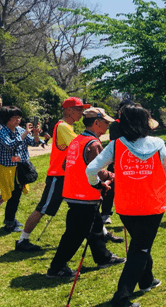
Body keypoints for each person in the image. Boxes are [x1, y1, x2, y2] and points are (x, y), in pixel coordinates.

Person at [86, 104, 166, 307]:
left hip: (126, 206)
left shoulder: (116, 145)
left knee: (140, 242)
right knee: (140, 249)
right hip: (152, 204)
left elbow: (91, 169)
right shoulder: (157, 143)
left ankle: (147, 280)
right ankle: (121, 300)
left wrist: (96, 184)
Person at [46, 107, 125, 276]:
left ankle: (103, 258)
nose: (107, 127)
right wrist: (115, 175)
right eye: (105, 123)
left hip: (73, 192)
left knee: (95, 226)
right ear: (96, 123)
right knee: (75, 234)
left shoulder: (77, 140)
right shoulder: (93, 143)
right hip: (85, 195)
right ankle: (57, 267)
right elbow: (99, 171)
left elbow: (65, 165)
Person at [15, 97, 90, 251]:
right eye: (79, 109)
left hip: (67, 176)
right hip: (58, 176)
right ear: (69, 111)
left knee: (85, 206)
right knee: (43, 208)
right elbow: (80, 146)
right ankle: (23, 240)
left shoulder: (68, 127)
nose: (82, 113)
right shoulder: (63, 127)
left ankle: (100, 234)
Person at [0, 106, 45, 233]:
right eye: (14, 118)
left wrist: (36, 134)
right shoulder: (1, 132)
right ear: (7, 119)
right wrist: (26, 133)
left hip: (20, 167)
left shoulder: (20, 130)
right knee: (11, 196)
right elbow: (10, 145)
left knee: (16, 195)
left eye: (19, 117)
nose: (18, 120)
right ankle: (9, 223)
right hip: (7, 169)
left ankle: (10, 220)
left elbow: (34, 143)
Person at [100, 99, 135, 226]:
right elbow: (119, 141)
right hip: (116, 160)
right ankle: (105, 213)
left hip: (132, 161)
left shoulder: (135, 124)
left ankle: (132, 211)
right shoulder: (115, 125)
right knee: (110, 187)